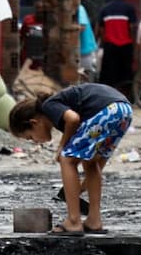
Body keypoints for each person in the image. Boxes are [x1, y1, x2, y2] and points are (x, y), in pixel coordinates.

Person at [8, 83, 133, 236]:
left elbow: (73, 119)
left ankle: (73, 221)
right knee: (91, 162)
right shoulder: (64, 108)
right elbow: (97, 163)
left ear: (34, 123)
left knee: (66, 159)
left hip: (106, 110)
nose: (35, 142)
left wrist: (62, 146)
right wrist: (81, 187)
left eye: (30, 137)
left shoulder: (49, 106)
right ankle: (94, 221)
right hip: (123, 110)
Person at [97, 0, 138, 99]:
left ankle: (108, 98)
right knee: (126, 75)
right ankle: (126, 98)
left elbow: (100, 29)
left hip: (110, 46)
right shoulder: (129, 9)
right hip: (126, 46)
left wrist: (101, 43)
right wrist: (134, 46)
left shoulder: (104, 9)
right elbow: (132, 28)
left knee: (109, 75)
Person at [78, 4, 99, 80]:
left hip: (85, 51)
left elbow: (82, 26)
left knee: (86, 80)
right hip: (81, 52)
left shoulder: (79, 8)